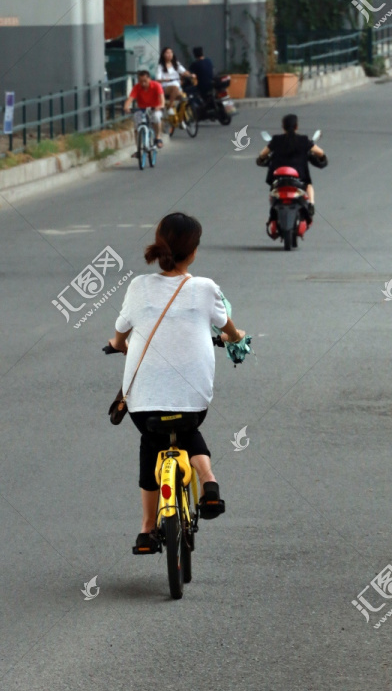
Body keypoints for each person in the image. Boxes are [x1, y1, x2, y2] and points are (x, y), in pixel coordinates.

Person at [107, 212, 246, 552]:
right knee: (187, 428)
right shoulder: (205, 288)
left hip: (144, 404)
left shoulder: (138, 286)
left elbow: (119, 334)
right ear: (193, 251)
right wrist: (236, 335)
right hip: (193, 399)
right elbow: (228, 329)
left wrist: (118, 347)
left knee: (151, 443)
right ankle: (208, 481)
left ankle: (145, 530)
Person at [256, 113, 326, 217]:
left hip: (278, 177)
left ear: (283, 127)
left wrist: (262, 158)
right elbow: (320, 152)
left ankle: (274, 210)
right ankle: (311, 203)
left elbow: (262, 154)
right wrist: (320, 156)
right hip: (299, 176)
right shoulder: (303, 140)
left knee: (273, 190)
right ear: (296, 126)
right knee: (308, 185)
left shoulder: (276, 140)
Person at [123, 69, 166, 156]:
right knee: (136, 123)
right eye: (140, 81)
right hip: (142, 108)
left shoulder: (156, 85)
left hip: (155, 108)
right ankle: (138, 149)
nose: (143, 83)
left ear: (149, 79)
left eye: (145, 81)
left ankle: (158, 137)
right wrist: (126, 107)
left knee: (156, 117)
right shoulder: (137, 87)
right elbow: (130, 98)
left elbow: (162, 100)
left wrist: (160, 106)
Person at [155, 47, 196, 117]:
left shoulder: (176, 64)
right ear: (163, 55)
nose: (169, 54)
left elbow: (184, 72)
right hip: (166, 86)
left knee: (185, 97)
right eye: (167, 53)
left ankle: (181, 117)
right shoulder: (160, 66)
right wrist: (165, 80)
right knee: (175, 88)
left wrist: (190, 75)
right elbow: (157, 79)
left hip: (177, 87)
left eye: (171, 52)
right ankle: (170, 107)